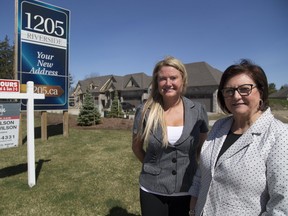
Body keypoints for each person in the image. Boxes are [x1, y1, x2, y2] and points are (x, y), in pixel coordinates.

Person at [189, 59, 288, 215]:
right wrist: (193, 208)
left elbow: (281, 205)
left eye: (244, 89)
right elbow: (202, 172)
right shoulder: (219, 126)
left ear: (261, 91)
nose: (235, 96)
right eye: (229, 90)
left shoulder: (279, 135)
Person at [132, 56, 209, 216]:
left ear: (182, 80)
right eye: (162, 79)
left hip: (187, 189)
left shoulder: (198, 110)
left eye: (173, 78)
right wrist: (153, 166)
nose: (168, 83)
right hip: (152, 189)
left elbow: (201, 148)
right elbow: (137, 148)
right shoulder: (145, 111)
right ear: (156, 82)